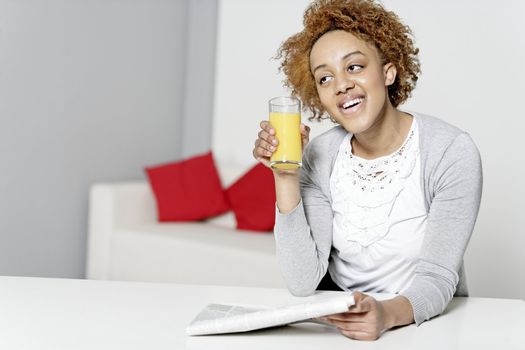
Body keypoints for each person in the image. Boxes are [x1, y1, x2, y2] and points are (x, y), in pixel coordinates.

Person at [252, 0, 482, 341]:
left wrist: (383, 314)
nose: (341, 85)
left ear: (388, 72)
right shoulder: (320, 155)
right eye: (325, 77)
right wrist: (286, 176)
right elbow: (302, 282)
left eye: (355, 67)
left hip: (425, 326)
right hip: (340, 329)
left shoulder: (449, 151)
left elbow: (437, 278)